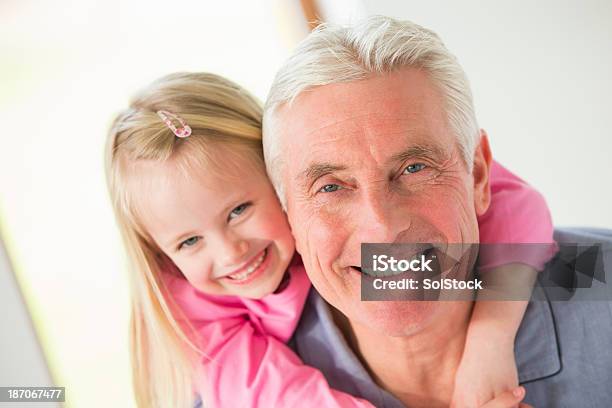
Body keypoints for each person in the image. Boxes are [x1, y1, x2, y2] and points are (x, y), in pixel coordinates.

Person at [105, 71, 551, 407]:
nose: (229, 252)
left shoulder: (590, 273)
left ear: (283, 182)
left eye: (239, 212)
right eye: (188, 242)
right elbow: (286, 396)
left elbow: (513, 202)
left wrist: (490, 340)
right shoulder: (197, 325)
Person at [262, 15, 612, 408]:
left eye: (414, 168)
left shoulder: (603, 282)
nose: (382, 228)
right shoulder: (240, 380)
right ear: (287, 214)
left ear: (478, 175)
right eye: (330, 187)